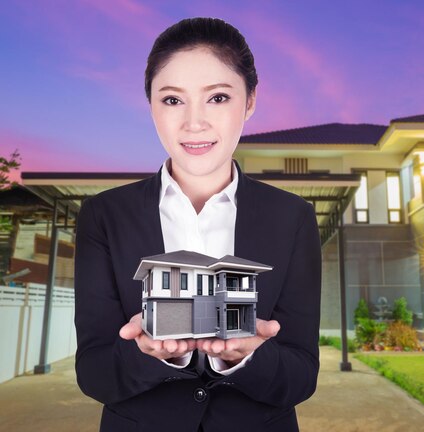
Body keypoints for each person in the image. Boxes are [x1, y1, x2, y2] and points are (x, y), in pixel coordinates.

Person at [74, 17, 321, 432]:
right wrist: (151, 353)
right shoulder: (104, 215)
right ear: (150, 104)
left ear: (250, 101)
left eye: (218, 97)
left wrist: (246, 356)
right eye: (172, 100)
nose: (194, 122)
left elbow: (301, 375)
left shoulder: (292, 217)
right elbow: (94, 371)